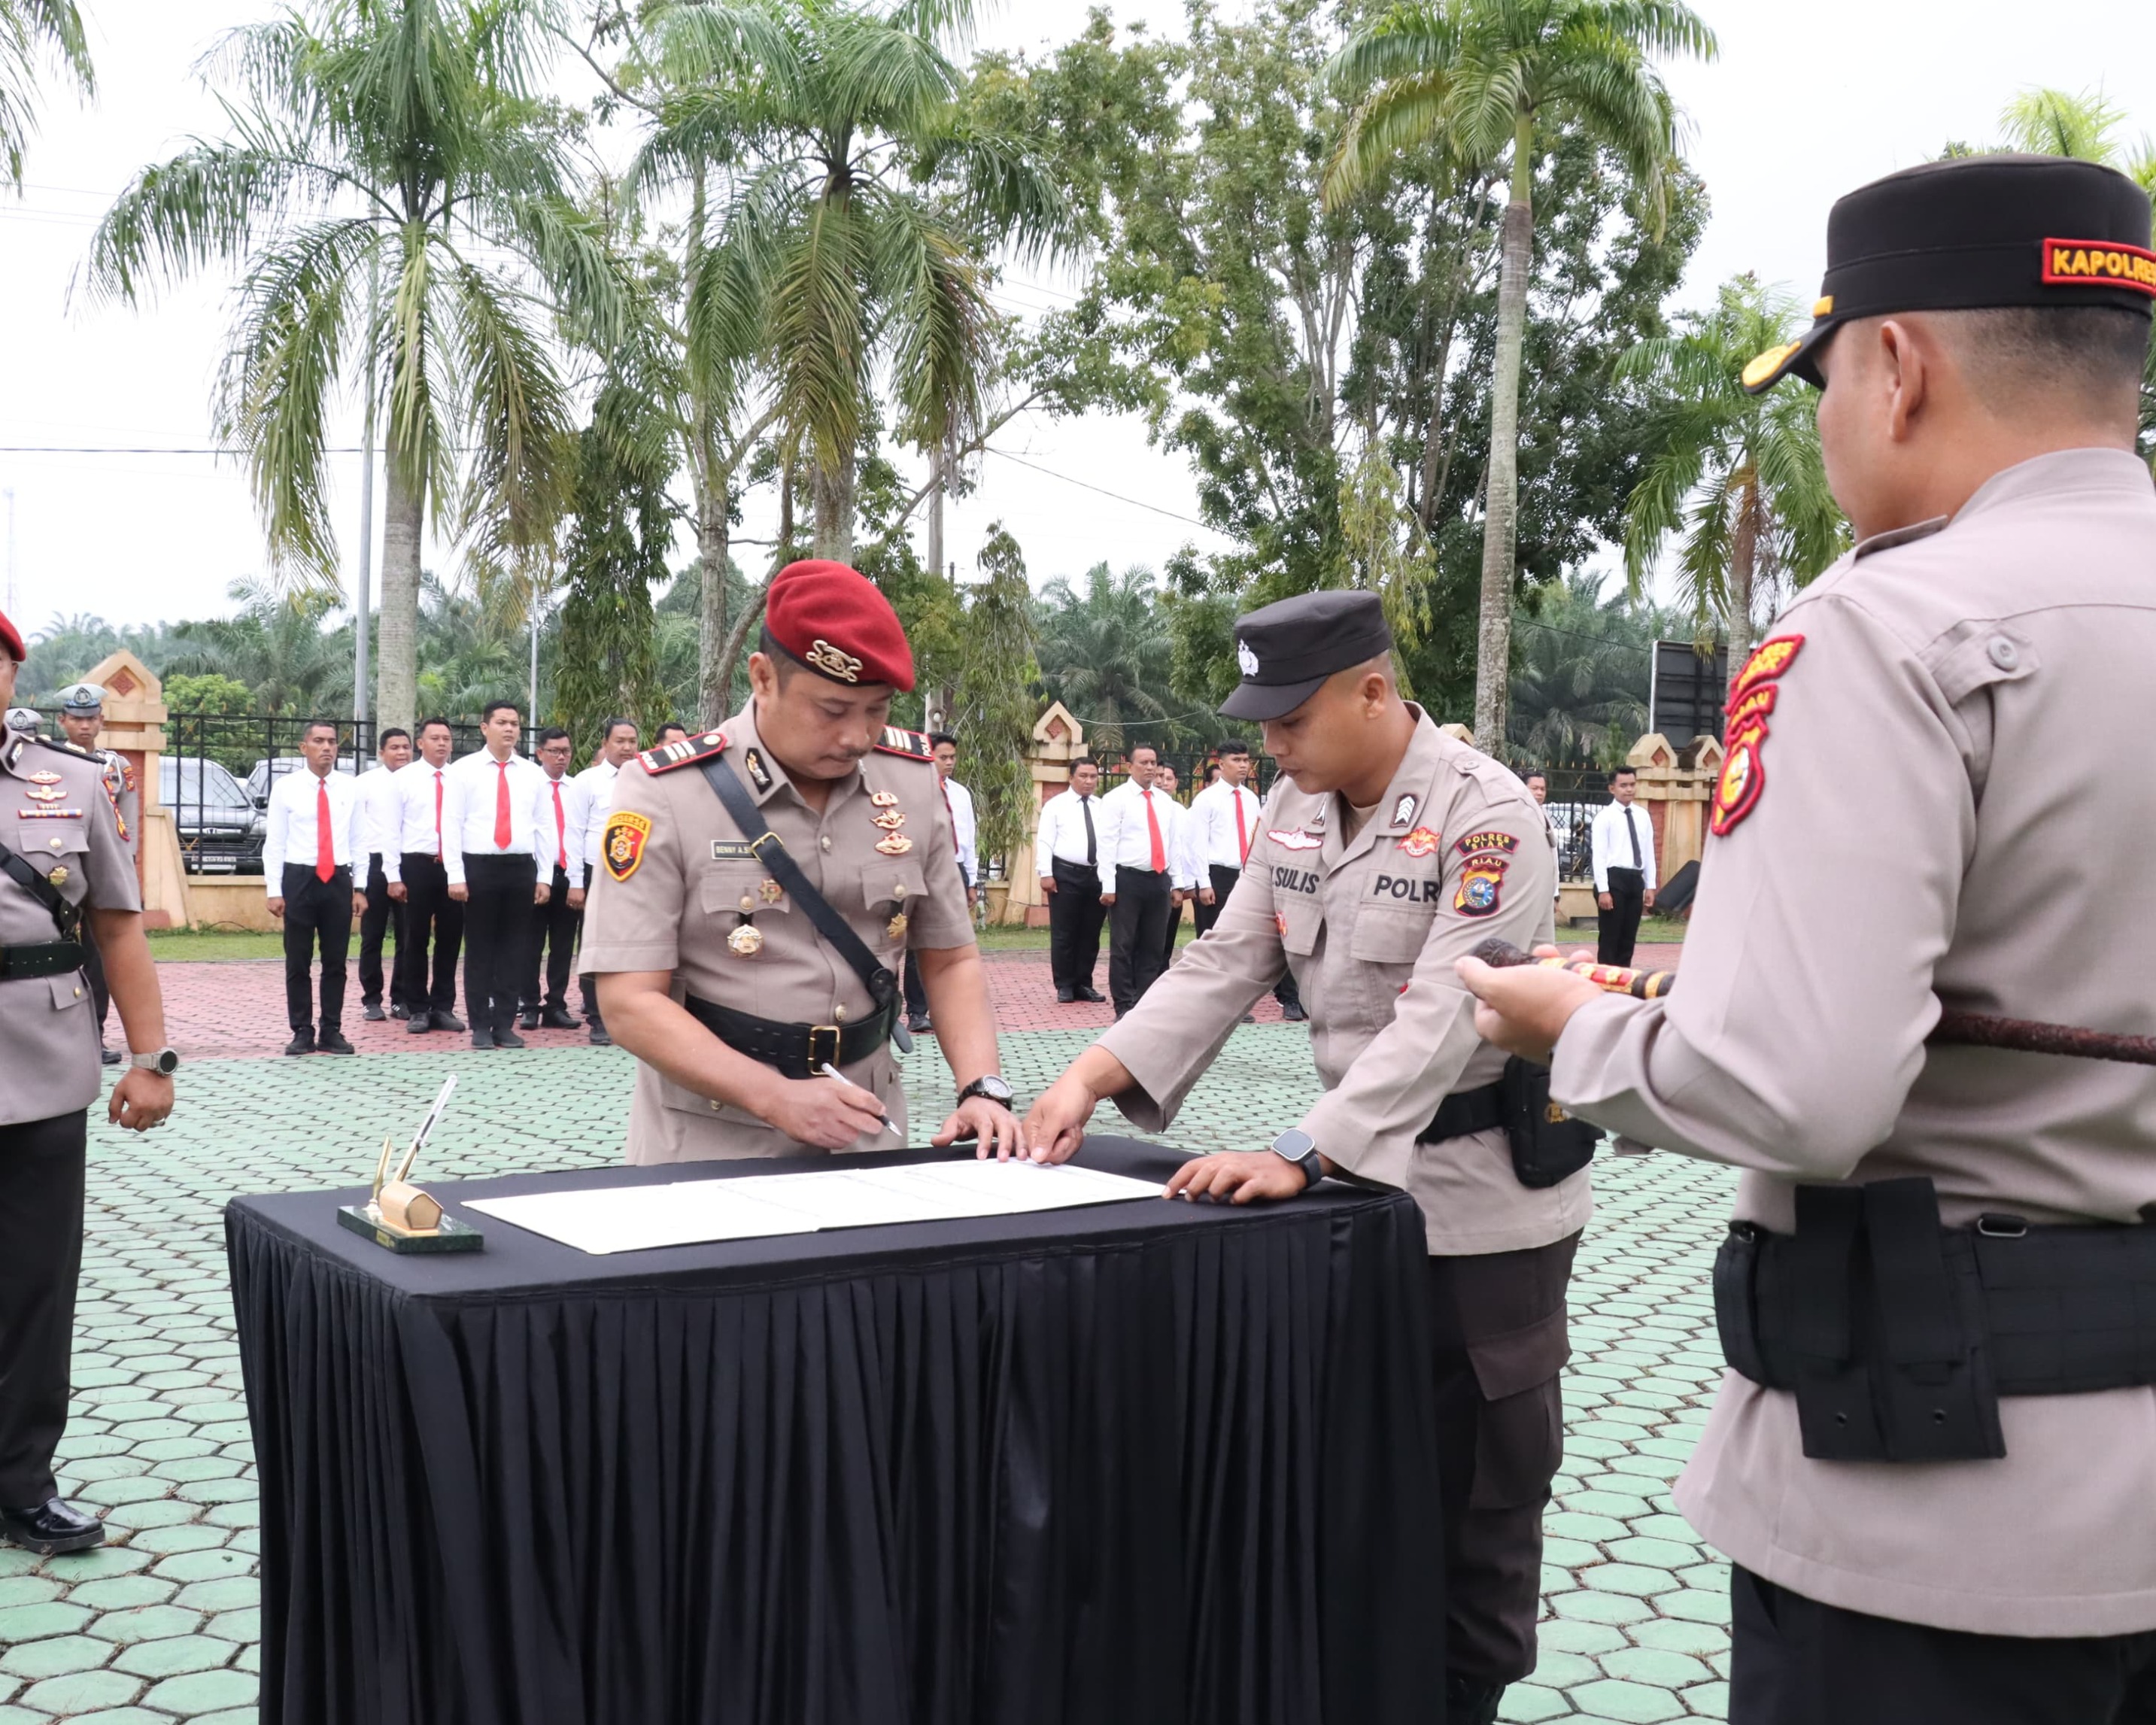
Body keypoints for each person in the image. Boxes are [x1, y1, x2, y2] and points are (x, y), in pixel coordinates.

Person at [1458, 154, 2156, 1725]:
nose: (1827, 417)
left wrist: (1566, 1028)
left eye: (1823, 377)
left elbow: (1800, 1089)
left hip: (1940, 1513)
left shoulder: (1882, 628)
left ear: (1895, 367)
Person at [1020, 589, 1588, 1725]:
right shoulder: (1293, 803)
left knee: (1476, 1486)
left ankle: (1462, 1696)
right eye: (1261, 721)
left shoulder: (1485, 819)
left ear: (1372, 691)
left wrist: (1301, 1150)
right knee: (1355, 1473)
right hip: (1345, 1197)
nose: (1267, 741)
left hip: (1472, 1206)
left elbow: (1442, 1017)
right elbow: (1224, 960)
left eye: (1289, 717)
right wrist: (1089, 1075)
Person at [580, 558, 1021, 1162]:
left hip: (867, 1124)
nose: (857, 736)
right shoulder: (668, 791)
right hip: (713, 1136)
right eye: (833, 710)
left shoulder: (912, 781)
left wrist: (982, 1087)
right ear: (763, 678)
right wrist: (774, 1096)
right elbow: (629, 1002)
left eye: (877, 709)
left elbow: (949, 960)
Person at [0, 609, 176, 1555]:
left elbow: (119, 927)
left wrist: (149, 1060)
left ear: (13, 677)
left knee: (34, 1286)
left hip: (40, 1061)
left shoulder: (73, 784)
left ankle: (20, 1482)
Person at [442, 701, 554, 1049]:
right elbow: (451, 824)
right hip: (479, 867)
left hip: (520, 867)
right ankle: (479, 1024)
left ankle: (505, 1023)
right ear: (484, 727)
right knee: (479, 949)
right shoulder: (463, 770)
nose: (509, 729)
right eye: (502, 722)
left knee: (514, 949)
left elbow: (545, 826)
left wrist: (545, 875)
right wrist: (455, 875)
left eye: (515, 724)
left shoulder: (533, 773)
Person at [263, 720, 367, 1054]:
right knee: (298, 959)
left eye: (332, 742)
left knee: (336, 960)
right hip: (299, 878)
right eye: (319, 741)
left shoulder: (350, 788)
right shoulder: (286, 787)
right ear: (303, 747)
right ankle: (302, 1030)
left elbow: (359, 839)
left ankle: (331, 1030)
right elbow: (275, 841)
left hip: (337, 878)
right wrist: (274, 889)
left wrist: (360, 886)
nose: (327, 748)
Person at [56, 682, 138, 1066]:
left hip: (101, 873)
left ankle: (96, 1035)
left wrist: (125, 868)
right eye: (77, 718)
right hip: (58, 875)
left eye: (91, 718)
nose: (84, 726)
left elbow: (128, 825)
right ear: (63, 721)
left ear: (101, 721)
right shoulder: (48, 760)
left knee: (98, 960)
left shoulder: (116, 767)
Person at [382, 718, 466, 1034]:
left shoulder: (461, 778)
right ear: (420, 743)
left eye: (446, 738)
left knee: (450, 938)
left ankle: (443, 1006)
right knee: (414, 939)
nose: (442, 744)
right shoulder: (403, 779)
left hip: (453, 866)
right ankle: (416, 1007)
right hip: (416, 865)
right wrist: (393, 875)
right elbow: (391, 830)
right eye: (435, 738)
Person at [1095, 743, 1192, 1016]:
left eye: (1154, 763)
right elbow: (1107, 844)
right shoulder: (1116, 799)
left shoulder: (1166, 803)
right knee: (1123, 945)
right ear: (1129, 766)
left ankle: (1145, 1003)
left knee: (1154, 945)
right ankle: (1124, 1004)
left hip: (1158, 879)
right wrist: (1109, 885)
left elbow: (1173, 844)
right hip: (1127, 879)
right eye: (1144, 763)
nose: (1150, 768)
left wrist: (1177, 883)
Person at [901, 731, 978, 1034]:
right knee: (918, 944)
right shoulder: (911, 792)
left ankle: (949, 1010)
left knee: (955, 943)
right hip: (921, 870)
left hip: (955, 869)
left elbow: (969, 839)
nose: (949, 763)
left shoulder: (961, 794)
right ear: (928, 756)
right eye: (943, 757)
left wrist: (971, 881)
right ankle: (917, 1012)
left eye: (952, 758)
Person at [571, 718, 639, 1043]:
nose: (627, 748)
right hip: (596, 871)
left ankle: (628, 1015)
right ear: (605, 743)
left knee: (633, 944)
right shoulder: (587, 781)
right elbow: (573, 832)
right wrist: (575, 881)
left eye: (632, 741)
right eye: (620, 741)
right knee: (595, 944)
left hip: (638, 874)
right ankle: (597, 1015)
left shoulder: (647, 777)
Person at [518, 727, 588, 1030]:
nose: (561, 757)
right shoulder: (529, 786)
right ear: (540, 753)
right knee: (531, 944)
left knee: (562, 945)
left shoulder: (577, 789)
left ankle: (556, 1004)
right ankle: (529, 1004)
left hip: (568, 873)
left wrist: (577, 880)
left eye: (566, 752)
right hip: (535, 875)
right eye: (555, 751)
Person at [1036, 758, 1107, 1004]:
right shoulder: (1056, 805)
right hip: (1066, 874)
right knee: (1065, 932)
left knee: (1091, 933)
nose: (1089, 781)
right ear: (1071, 778)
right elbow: (1045, 840)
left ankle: (1083, 983)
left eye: (1093, 777)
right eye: (1083, 776)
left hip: (1096, 875)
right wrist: (1045, 873)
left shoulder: (1102, 806)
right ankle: (1065, 984)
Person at [355, 727, 412, 1020]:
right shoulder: (365, 784)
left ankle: (400, 998)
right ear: (381, 752)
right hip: (374, 865)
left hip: (409, 864)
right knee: (373, 935)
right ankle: (371, 999)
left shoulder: (417, 781)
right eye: (394, 747)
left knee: (409, 936)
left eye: (406, 747)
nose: (401, 752)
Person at [1589, 765, 1655, 965]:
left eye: (1632, 785)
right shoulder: (1604, 818)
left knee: (1629, 937)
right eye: (1623, 785)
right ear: (1612, 789)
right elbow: (1599, 856)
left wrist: (1650, 884)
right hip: (1613, 879)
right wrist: (1603, 890)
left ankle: (1624, 979)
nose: (1629, 789)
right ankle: (1606, 981)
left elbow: (1648, 851)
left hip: (1635, 879)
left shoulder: (1642, 815)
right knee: (1611, 936)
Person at [1523, 770, 1564, 903]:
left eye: (1543, 789)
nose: (1539, 793)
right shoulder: (1517, 816)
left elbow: (1553, 855)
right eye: (1534, 789)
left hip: (1544, 888)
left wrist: (1555, 892)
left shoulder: (1544, 815)